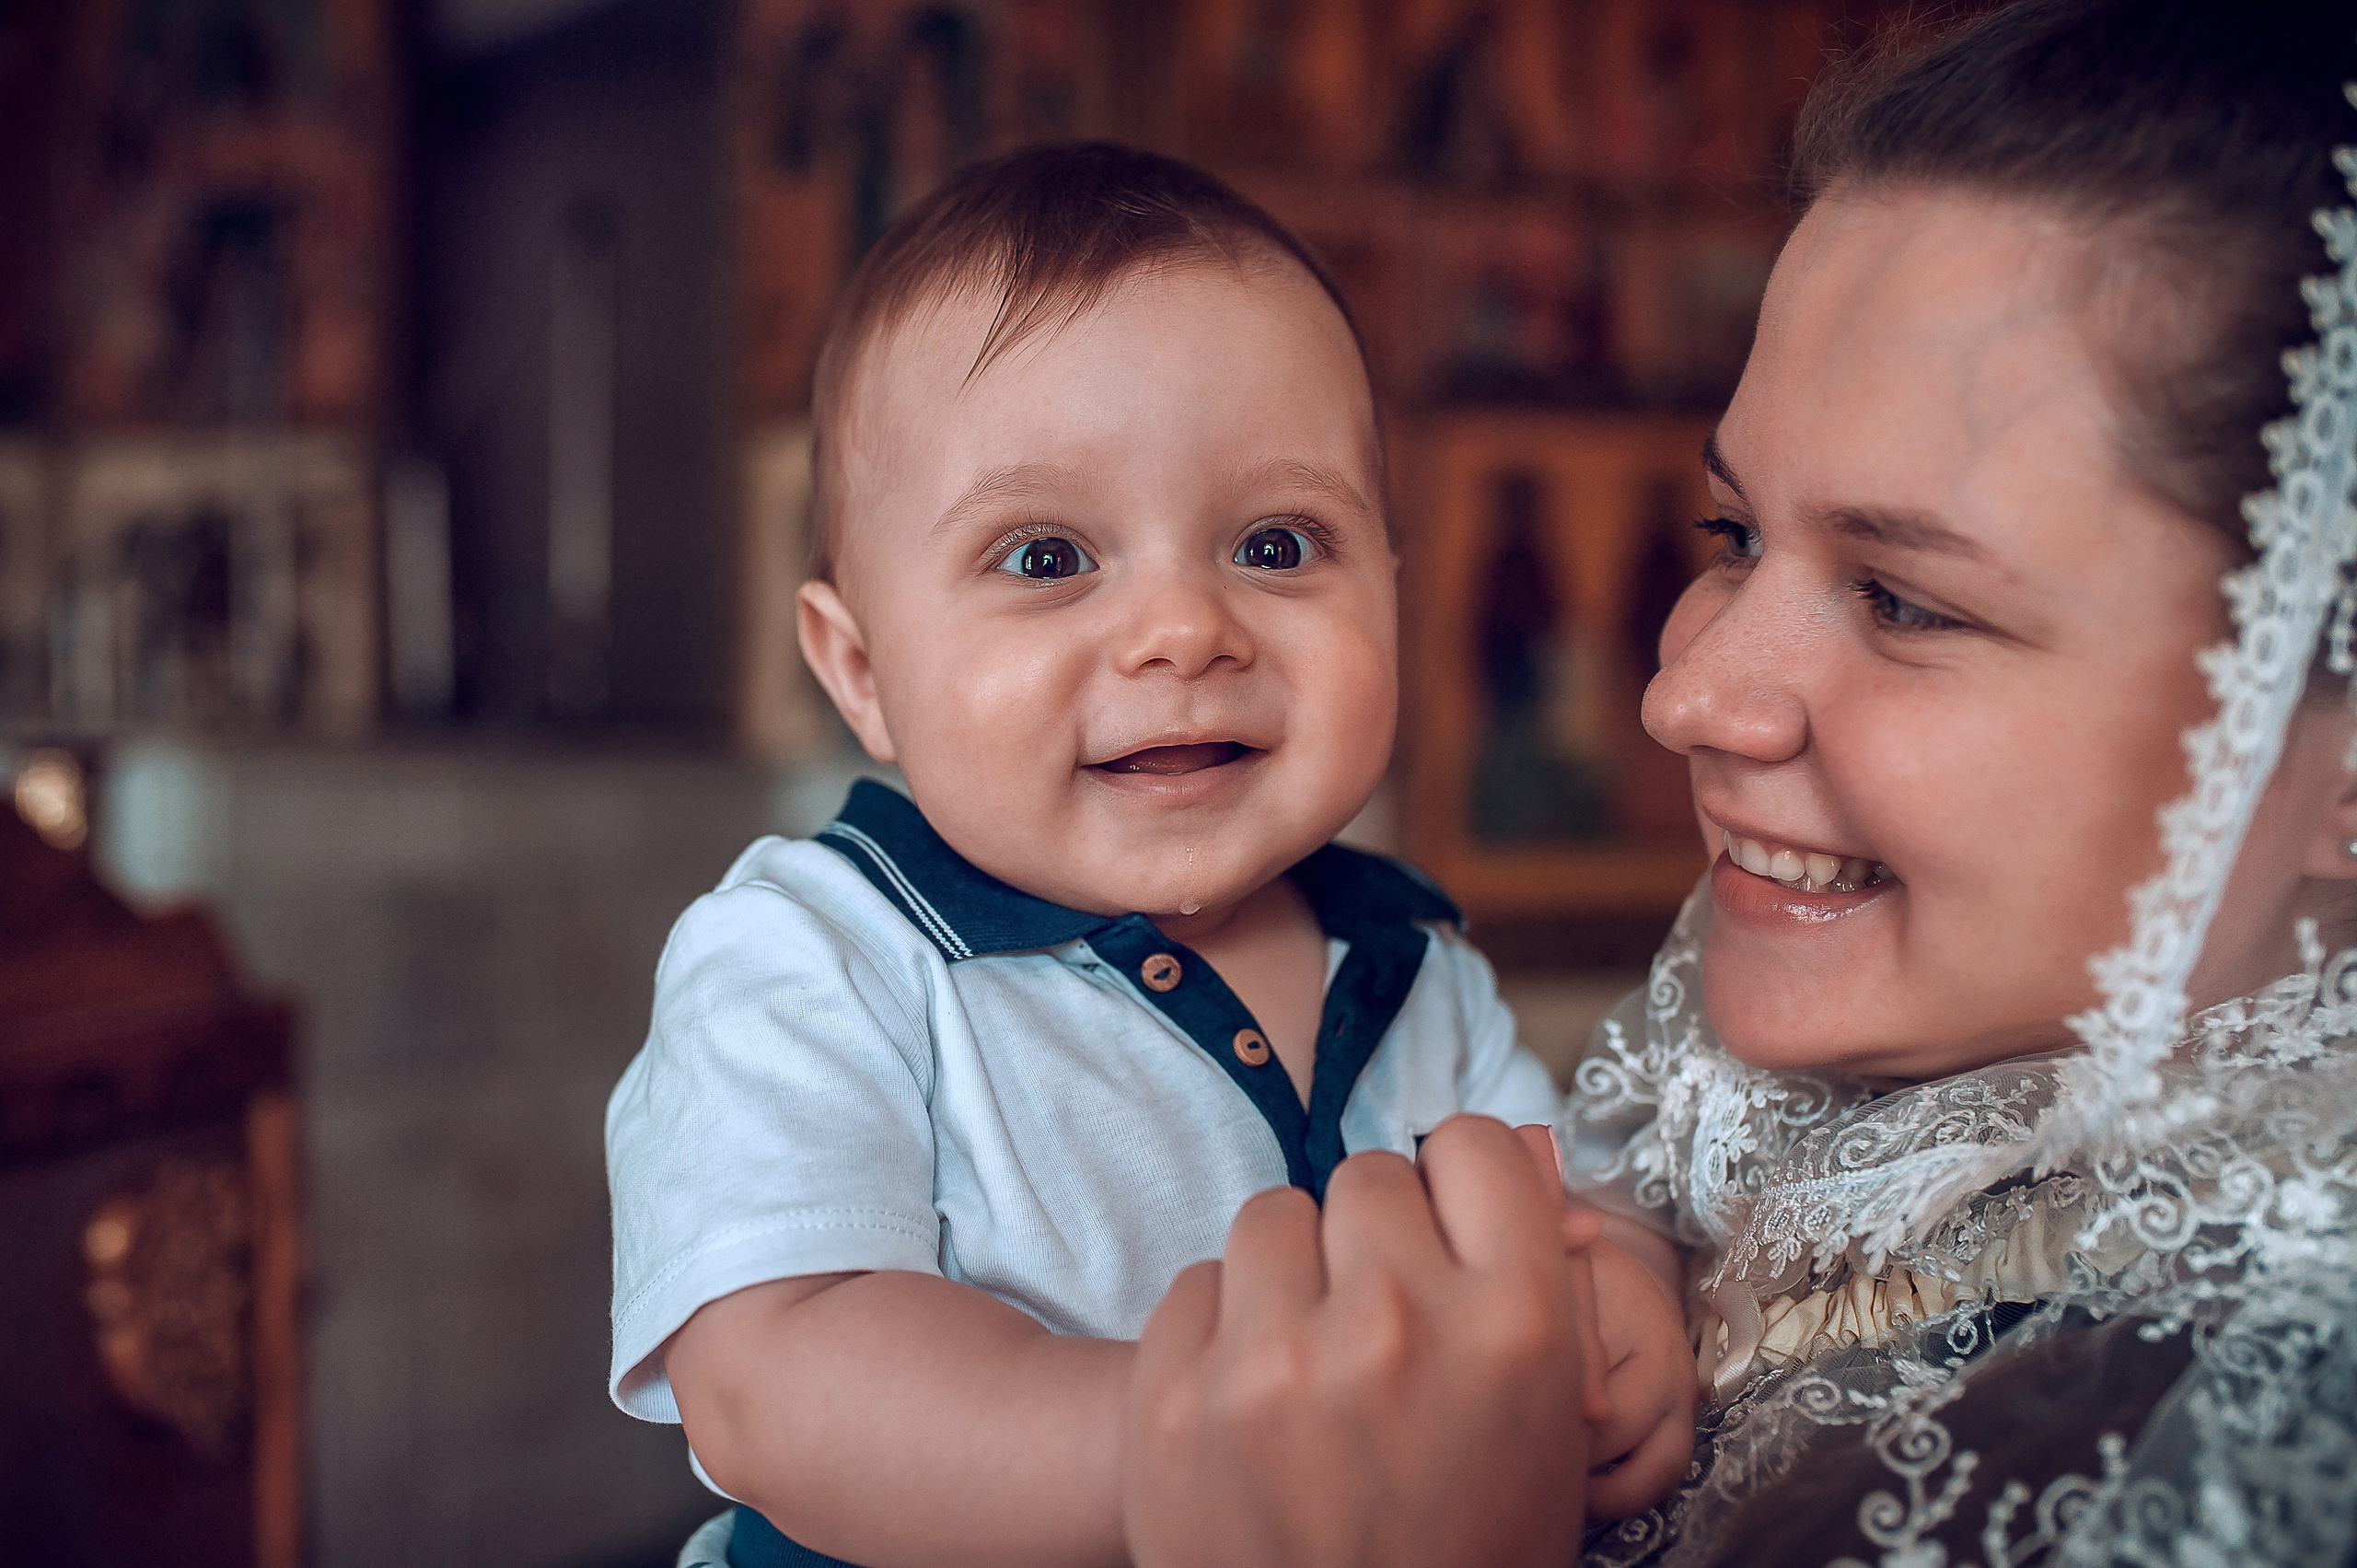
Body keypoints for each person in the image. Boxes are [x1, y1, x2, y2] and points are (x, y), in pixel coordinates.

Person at [1119, 2, 2357, 1565]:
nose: (1679, 696)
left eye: (1906, 601)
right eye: (1735, 538)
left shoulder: (2264, 1432)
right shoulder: (1713, 1152)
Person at [603, 144, 1693, 1568]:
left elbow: (1545, 1232)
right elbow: (777, 1382)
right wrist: (1210, 1450)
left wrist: (1617, 1307)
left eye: (1280, 543)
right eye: (1048, 557)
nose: (1187, 630)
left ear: (1398, 598)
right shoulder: (815, 960)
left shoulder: (1411, 966)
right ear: (861, 671)